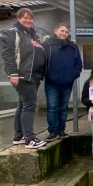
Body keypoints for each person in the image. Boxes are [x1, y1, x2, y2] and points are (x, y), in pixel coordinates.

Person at [2, 8, 47, 149]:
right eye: (24, 18)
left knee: (22, 105)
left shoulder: (32, 35)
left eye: (30, 18)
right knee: (29, 106)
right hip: (23, 76)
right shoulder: (13, 33)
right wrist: (13, 73)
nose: (28, 20)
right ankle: (30, 138)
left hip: (34, 76)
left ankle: (19, 135)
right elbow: (8, 54)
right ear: (18, 18)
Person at [43, 23, 83, 142]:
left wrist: (72, 75)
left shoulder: (73, 47)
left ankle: (61, 130)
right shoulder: (47, 45)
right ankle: (52, 131)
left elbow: (78, 63)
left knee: (63, 107)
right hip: (51, 82)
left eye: (66, 32)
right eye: (62, 31)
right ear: (55, 30)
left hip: (67, 83)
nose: (64, 33)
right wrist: (46, 74)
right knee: (52, 107)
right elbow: (41, 61)